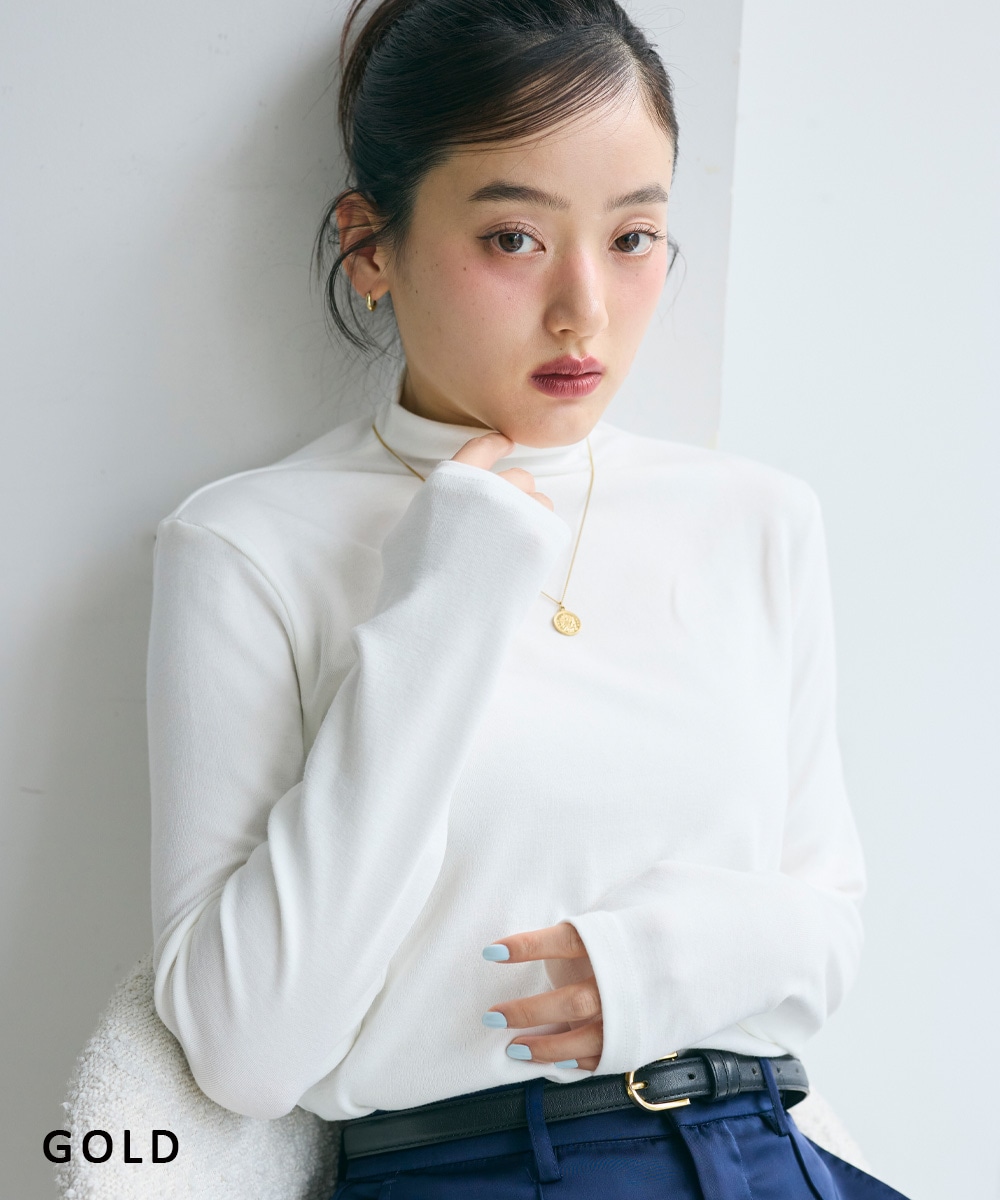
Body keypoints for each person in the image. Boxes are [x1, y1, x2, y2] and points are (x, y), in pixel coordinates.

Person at [145, 1, 910, 1196]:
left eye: (633, 236)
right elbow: (247, 1048)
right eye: (513, 237)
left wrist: (658, 959)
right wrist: (447, 598)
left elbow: (828, 932)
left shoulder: (756, 518)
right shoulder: (247, 545)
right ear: (370, 246)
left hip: (771, 1151)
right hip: (482, 1169)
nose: (584, 310)